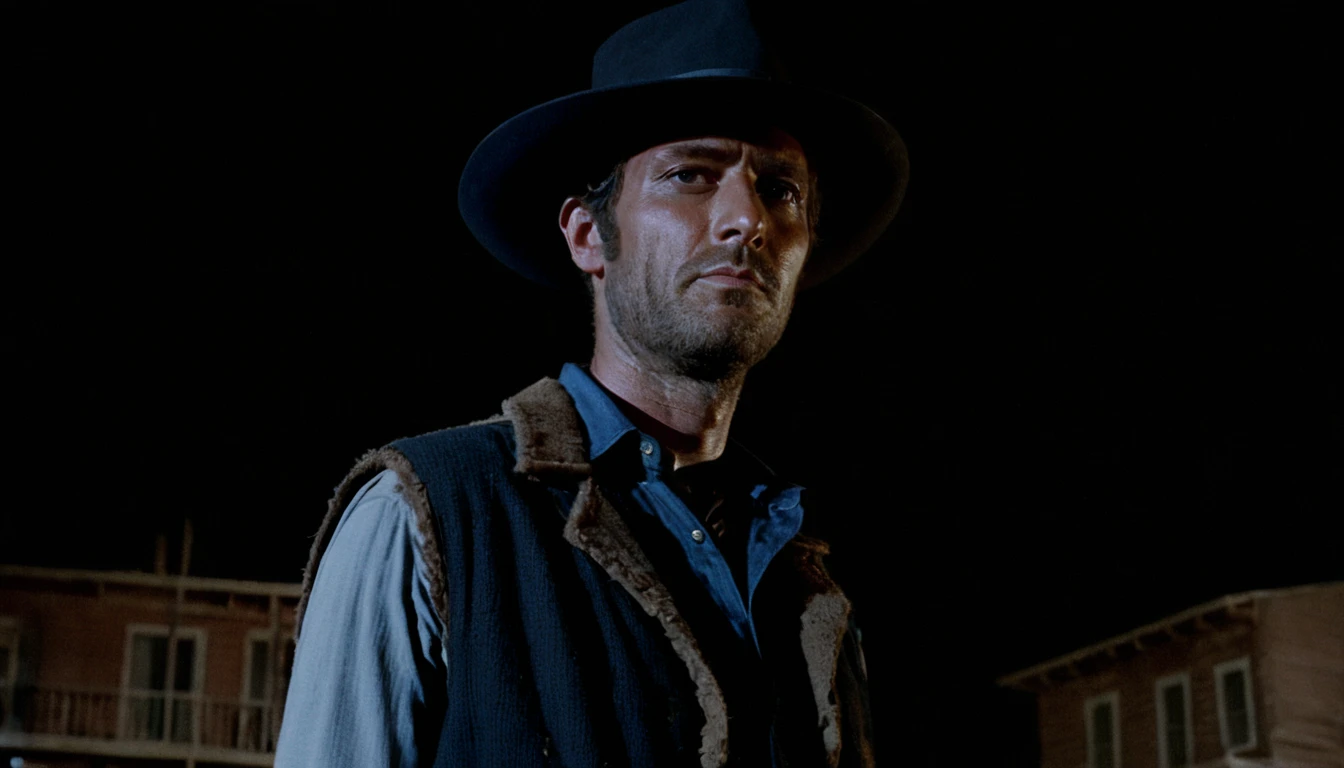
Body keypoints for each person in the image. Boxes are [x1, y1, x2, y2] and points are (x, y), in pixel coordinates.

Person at [275, 1, 907, 766]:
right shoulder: (429, 515)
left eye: (781, 190)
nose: (747, 220)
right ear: (586, 235)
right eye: (690, 175)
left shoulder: (808, 586)